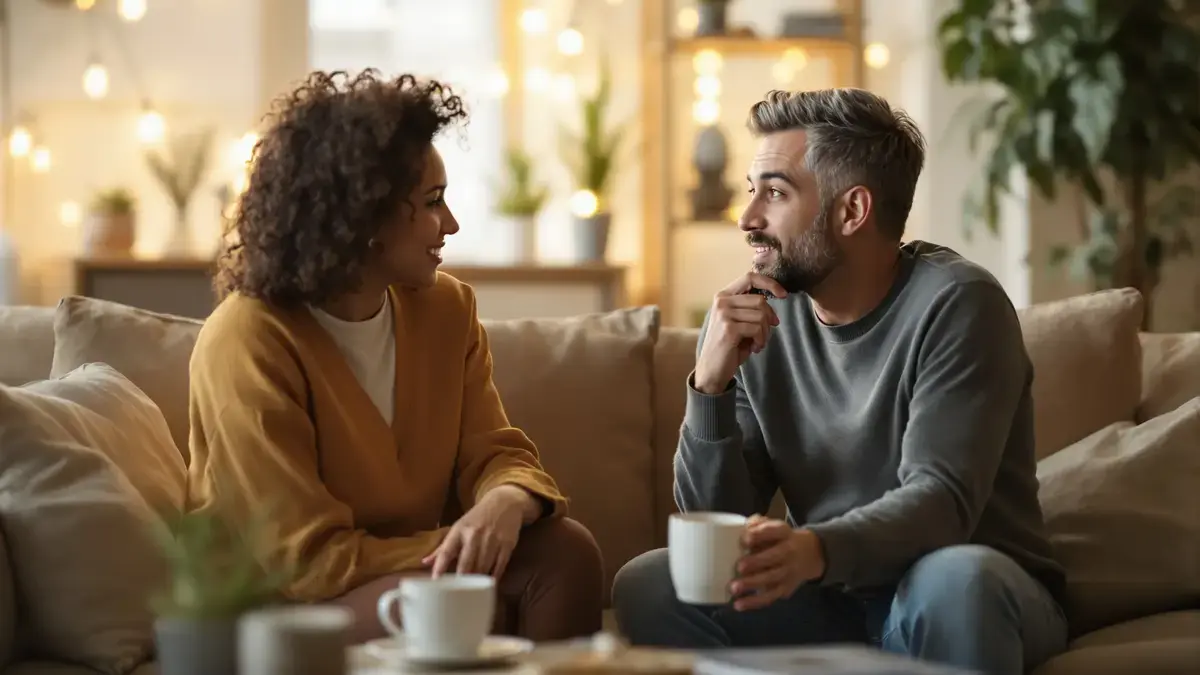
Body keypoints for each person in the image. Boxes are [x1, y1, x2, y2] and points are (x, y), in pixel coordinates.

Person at [611, 88, 1068, 675]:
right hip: (836, 596)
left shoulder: (958, 304)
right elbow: (716, 523)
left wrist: (817, 549)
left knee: (957, 580)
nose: (748, 218)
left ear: (852, 211)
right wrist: (711, 386)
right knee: (653, 584)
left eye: (774, 193)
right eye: (753, 193)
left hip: (965, 591)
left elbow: (942, 503)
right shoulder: (757, 319)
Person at [186, 70, 604, 644]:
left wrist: (507, 499)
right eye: (433, 203)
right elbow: (305, 562)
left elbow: (495, 451)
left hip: (400, 573)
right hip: (278, 605)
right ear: (361, 216)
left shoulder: (447, 310)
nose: (451, 225)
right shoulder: (248, 339)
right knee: (440, 610)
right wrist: (461, 545)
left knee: (565, 551)